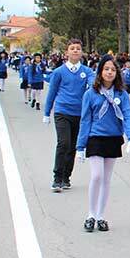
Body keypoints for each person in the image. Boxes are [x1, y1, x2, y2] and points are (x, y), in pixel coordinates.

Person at [76, 55, 130, 232]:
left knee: (107, 179)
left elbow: (128, 115)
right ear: (100, 72)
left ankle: (101, 216)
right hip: (95, 137)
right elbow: (85, 120)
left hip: (113, 138)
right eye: (106, 69)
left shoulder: (121, 94)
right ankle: (91, 214)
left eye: (112, 69)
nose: (109, 72)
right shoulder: (90, 93)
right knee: (97, 176)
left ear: (117, 73)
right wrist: (80, 147)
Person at [43, 39, 95, 192]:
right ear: (67, 53)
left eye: (78, 48)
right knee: (63, 143)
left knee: (73, 146)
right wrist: (47, 112)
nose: (75, 51)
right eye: (72, 48)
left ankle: (66, 177)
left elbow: (92, 84)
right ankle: (57, 178)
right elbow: (51, 92)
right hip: (62, 112)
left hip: (80, 113)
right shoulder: (59, 72)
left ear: (81, 52)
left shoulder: (87, 71)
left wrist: (92, 86)